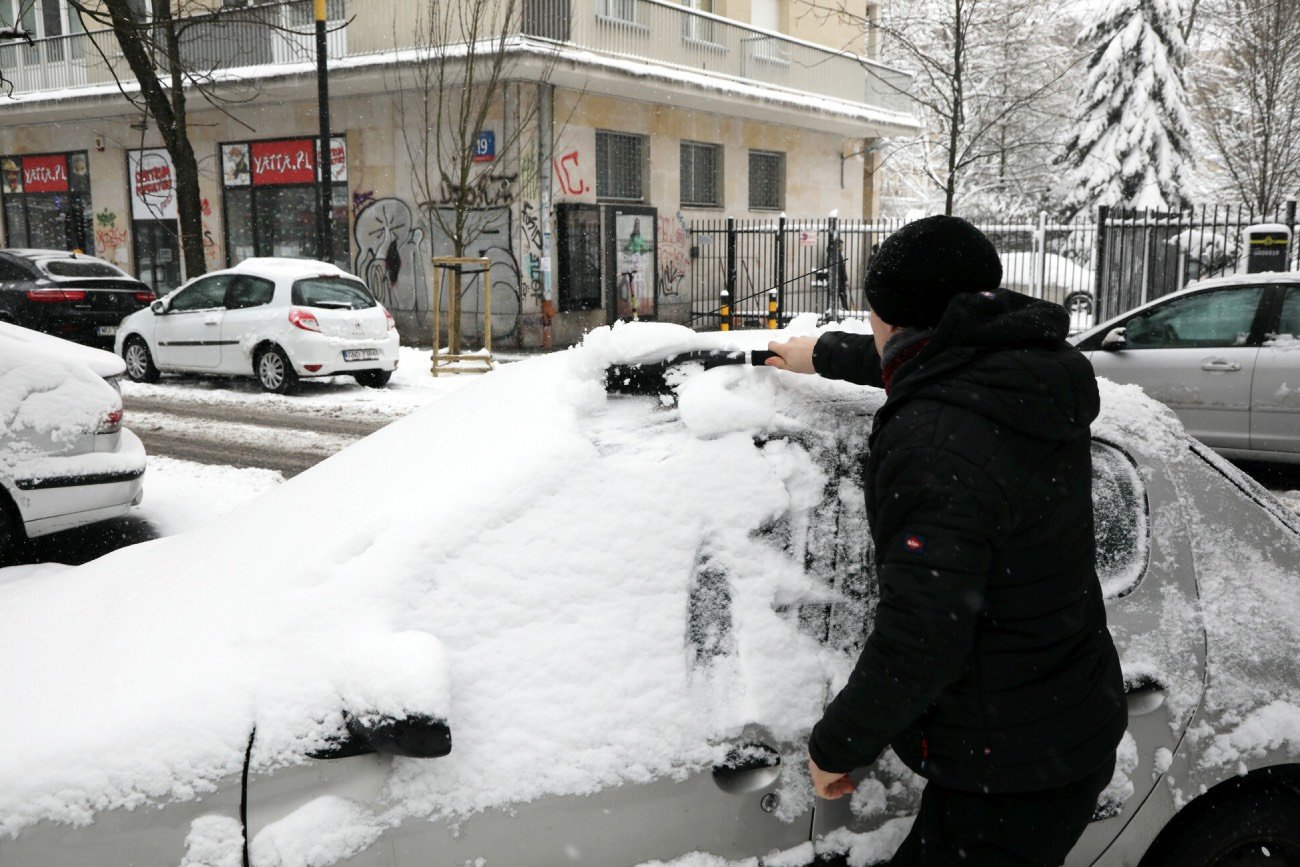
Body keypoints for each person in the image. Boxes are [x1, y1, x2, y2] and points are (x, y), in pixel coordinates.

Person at [766, 215, 1126, 866]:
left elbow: (921, 638)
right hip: (1059, 723)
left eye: (872, 314)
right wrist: (816, 353)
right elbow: (922, 362)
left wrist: (833, 748)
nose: (871, 327)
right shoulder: (1026, 370)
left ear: (899, 321)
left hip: (1009, 771)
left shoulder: (934, 444)